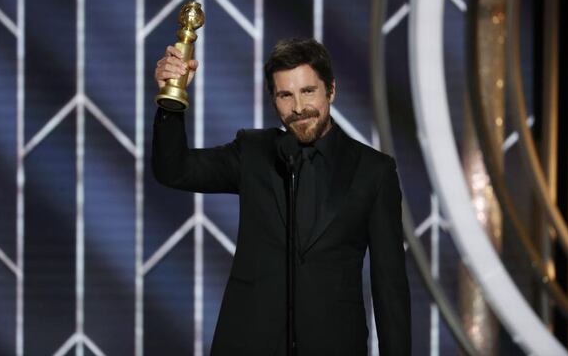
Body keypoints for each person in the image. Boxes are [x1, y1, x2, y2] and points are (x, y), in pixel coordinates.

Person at [152, 38, 411, 355]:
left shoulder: (374, 171)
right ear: (273, 101)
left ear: (331, 90)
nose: (299, 108)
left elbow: (390, 288)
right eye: (285, 95)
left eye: (308, 91)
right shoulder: (252, 153)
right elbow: (173, 170)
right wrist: (171, 99)